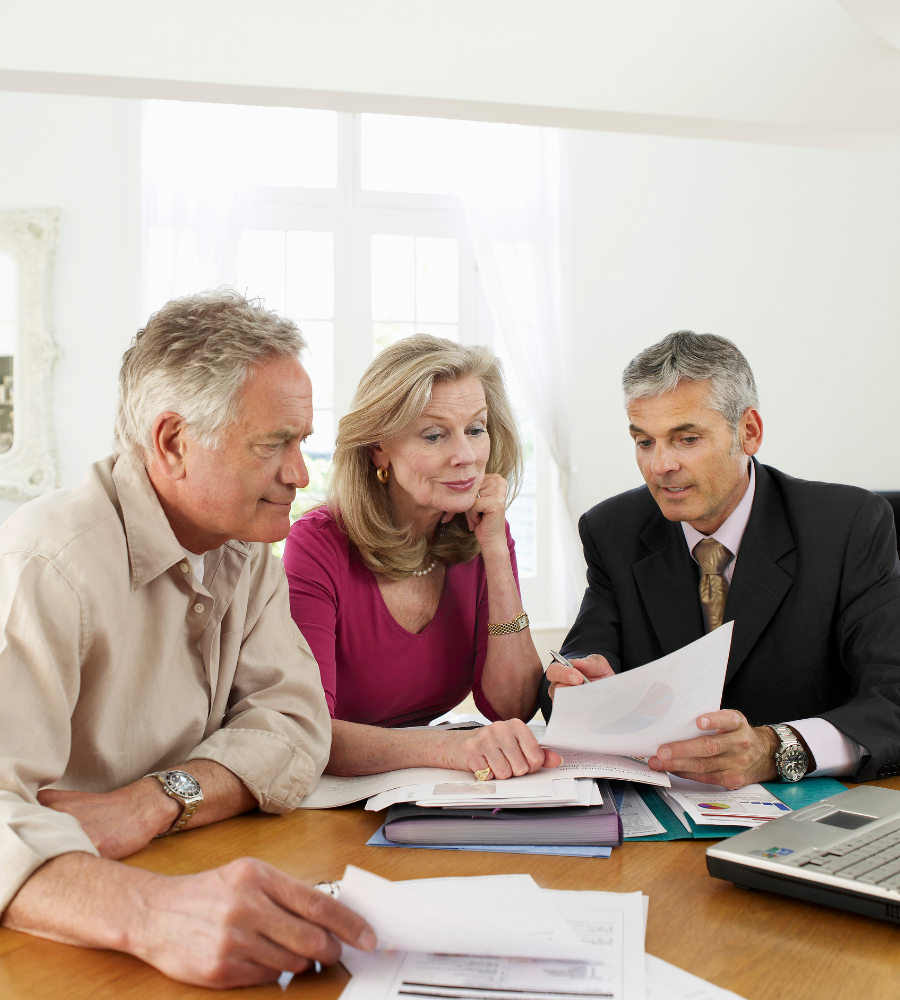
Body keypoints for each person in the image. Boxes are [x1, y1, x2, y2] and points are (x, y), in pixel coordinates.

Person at [0, 292, 375, 988]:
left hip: (178, 883)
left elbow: (295, 726)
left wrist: (157, 799)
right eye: (274, 445)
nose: (300, 474)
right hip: (64, 948)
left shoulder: (245, 552)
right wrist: (152, 912)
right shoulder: (46, 564)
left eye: (301, 442)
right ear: (172, 443)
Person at [543, 331, 900, 789]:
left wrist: (776, 748)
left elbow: (892, 696)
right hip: (666, 803)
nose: (660, 465)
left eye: (686, 439)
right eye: (644, 442)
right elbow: (581, 658)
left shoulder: (848, 525)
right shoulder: (613, 529)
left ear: (748, 432)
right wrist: (576, 685)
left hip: (809, 801)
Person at [284, 335, 559, 780]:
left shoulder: (482, 531)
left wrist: (495, 551)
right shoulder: (317, 545)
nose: (466, 456)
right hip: (328, 797)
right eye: (434, 435)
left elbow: (514, 705)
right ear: (378, 447)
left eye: (476, 429)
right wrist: (454, 747)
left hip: (417, 784)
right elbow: (308, 733)